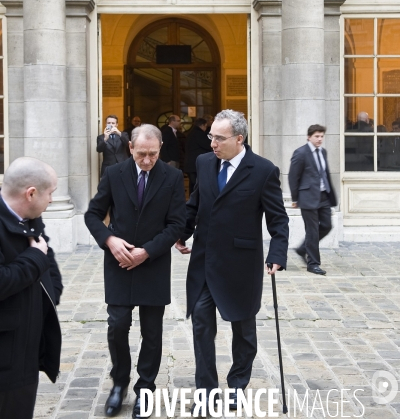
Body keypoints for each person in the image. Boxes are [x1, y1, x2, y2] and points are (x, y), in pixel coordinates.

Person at [175, 109, 289, 411]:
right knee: (201, 326)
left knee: (243, 332)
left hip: (241, 265)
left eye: (219, 138)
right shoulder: (204, 163)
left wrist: (277, 253)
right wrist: (181, 233)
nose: (212, 142)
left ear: (239, 139)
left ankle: (238, 385)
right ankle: (207, 393)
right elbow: (195, 204)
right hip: (204, 262)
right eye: (211, 136)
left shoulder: (263, 170)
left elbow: (278, 220)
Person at [85, 124, 186, 419]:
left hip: (152, 264)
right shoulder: (113, 174)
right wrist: (109, 239)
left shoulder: (172, 177)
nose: (147, 160)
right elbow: (93, 214)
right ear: (130, 148)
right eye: (141, 153)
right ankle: (119, 384)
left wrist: (147, 252)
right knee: (117, 326)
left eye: (153, 154)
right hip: (118, 263)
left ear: (161, 148)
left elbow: (176, 224)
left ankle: (146, 388)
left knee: (152, 332)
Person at [0, 157, 62, 419]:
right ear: (31, 193)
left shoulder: (31, 216)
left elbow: (47, 258)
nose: (51, 200)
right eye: (50, 193)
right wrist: (34, 259)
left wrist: (53, 292)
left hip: (27, 348)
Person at [288, 124, 337, 276]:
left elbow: (325, 174)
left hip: (323, 196)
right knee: (312, 231)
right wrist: (295, 198)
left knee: (327, 225)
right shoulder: (300, 153)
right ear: (309, 137)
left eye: (322, 136)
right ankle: (313, 264)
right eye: (317, 136)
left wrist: (331, 195)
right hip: (307, 197)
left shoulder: (323, 152)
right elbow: (293, 177)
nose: (320, 139)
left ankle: (303, 249)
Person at [184, 118, 210, 194]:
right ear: (202, 125)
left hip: (190, 163)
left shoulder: (191, 133)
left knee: (193, 184)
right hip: (195, 164)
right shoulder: (199, 134)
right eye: (206, 126)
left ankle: (192, 201)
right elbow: (208, 145)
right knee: (196, 184)